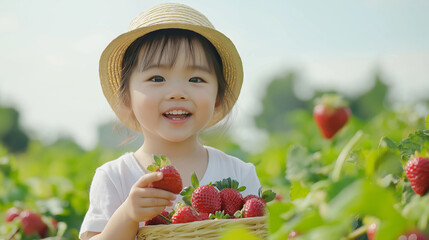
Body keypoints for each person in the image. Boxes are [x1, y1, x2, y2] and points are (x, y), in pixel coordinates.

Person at [79, 3, 261, 240]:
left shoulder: (240, 174)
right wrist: (127, 215)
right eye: (157, 78)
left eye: (196, 79)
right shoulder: (115, 177)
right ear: (126, 97)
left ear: (218, 97)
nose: (177, 92)